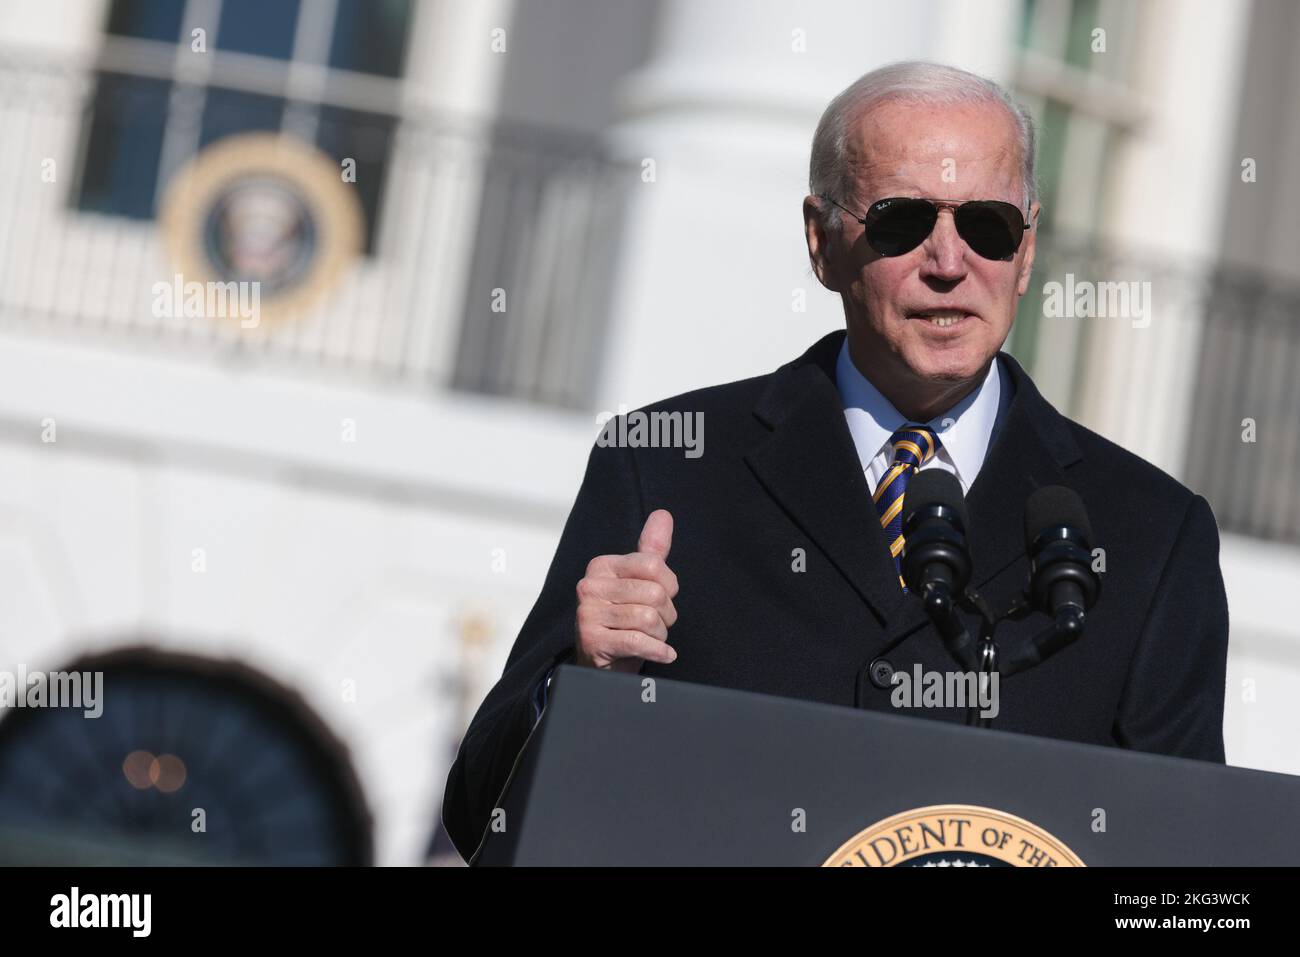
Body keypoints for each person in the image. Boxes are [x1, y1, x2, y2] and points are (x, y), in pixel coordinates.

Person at [440, 60, 1229, 862]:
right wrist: (582, 677)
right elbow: (483, 818)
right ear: (822, 241)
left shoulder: (1152, 536)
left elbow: (1192, 878)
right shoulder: (668, 467)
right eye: (900, 222)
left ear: (1026, 252)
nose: (949, 261)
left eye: (987, 225)